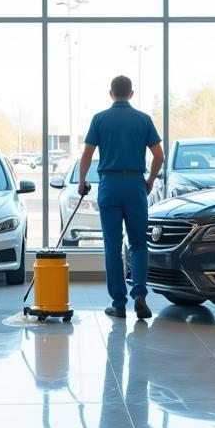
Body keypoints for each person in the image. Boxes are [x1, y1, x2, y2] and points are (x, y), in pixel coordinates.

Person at [78, 75, 164, 319]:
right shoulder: (144, 119)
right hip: (136, 184)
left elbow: (86, 154)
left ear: (110, 93)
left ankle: (118, 303)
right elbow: (159, 156)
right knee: (138, 244)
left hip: (110, 185)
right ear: (131, 93)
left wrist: (82, 181)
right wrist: (150, 181)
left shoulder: (99, 119)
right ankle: (139, 294)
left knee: (112, 246)